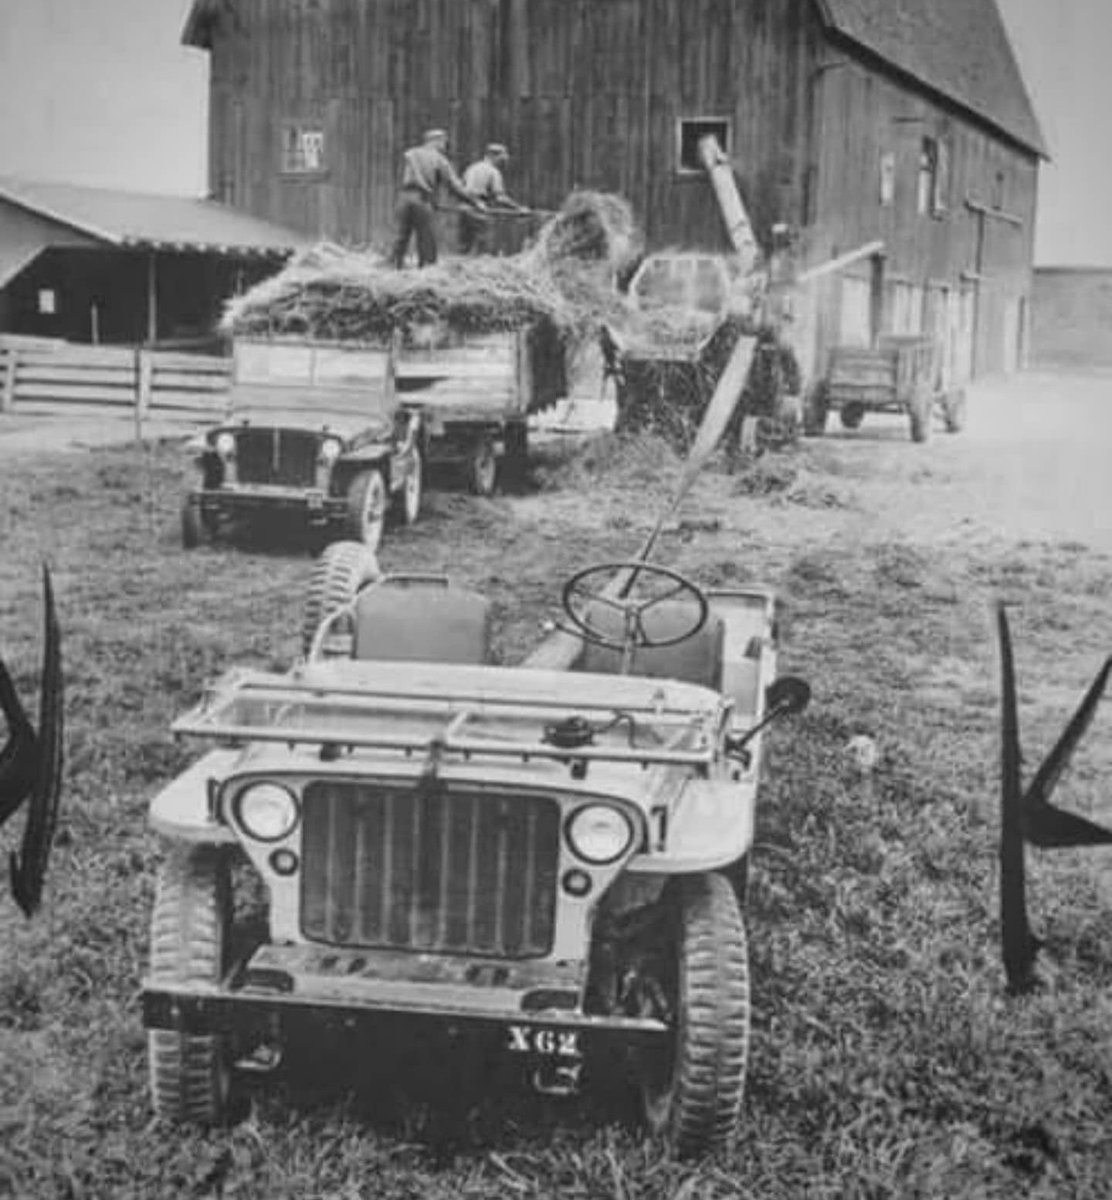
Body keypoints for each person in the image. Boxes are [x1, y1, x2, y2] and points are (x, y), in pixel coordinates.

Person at [391, 129, 485, 268]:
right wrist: (475, 202)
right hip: (422, 200)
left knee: (400, 236)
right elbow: (455, 187)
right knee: (426, 239)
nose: (445, 146)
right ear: (437, 141)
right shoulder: (439, 159)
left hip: (403, 198)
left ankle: (393, 265)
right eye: (444, 142)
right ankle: (426, 271)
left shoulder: (411, 153)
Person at [459, 143, 529, 256]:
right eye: (501, 159)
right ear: (493, 156)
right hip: (479, 212)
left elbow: (462, 189)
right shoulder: (493, 172)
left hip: (464, 209)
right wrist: (518, 208)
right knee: (483, 248)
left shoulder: (472, 168)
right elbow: (500, 197)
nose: (503, 162)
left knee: (465, 246)